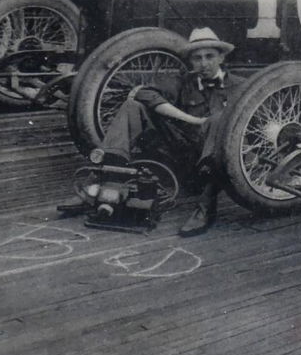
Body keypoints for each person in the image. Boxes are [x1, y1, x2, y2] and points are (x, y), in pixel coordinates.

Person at [86, 27, 242, 237]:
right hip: (182, 154)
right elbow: (144, 93)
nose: (203, 63)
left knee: (218, 119)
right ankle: (106, 181)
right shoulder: (183, 81)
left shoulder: (242, 87)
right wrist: (193, 120)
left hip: (217, 164)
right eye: (197, 58)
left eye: (209, 56)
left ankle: (205, 207)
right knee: (133, 107)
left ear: (221, 57)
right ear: (191, 61)